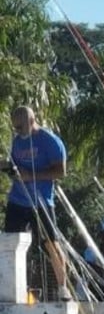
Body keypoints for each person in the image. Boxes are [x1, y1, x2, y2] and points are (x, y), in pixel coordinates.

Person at [6, 106, 67, 295]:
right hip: (18, 199)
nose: (17, 131)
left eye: (20, 127)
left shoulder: (50, 141)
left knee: (51, 244)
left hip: (41, 201)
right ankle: (10, 287)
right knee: (9, 242)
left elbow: (61, 172)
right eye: (15, 127)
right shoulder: (17, 141)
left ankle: (63, 287)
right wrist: (7, 167)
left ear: (32, 122)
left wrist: (30, 176)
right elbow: (16, 166)